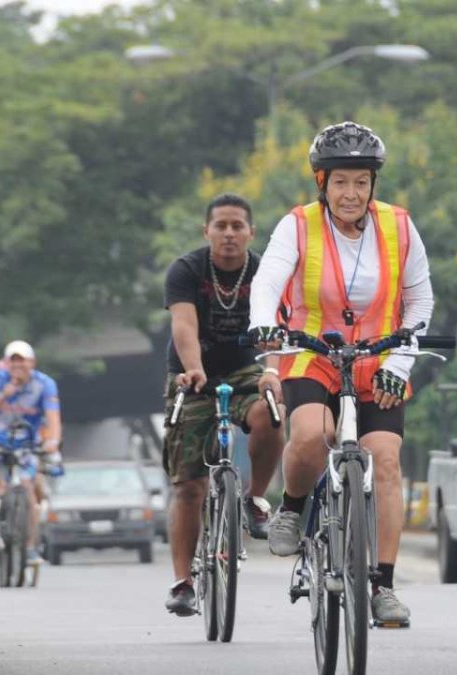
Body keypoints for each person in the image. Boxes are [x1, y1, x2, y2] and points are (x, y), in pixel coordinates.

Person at [248, 122, 435, 625]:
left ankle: (384, 586)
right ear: (321, 183)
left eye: (360, 182)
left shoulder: (398, 225)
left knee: (387, 459)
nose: (350, 193)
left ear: (373, 185)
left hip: (379, 358)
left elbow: (419, 298)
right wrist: (264, 324)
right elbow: (267, 280)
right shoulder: (298, 224)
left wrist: (400, 361)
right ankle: (291, 507)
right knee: (313, 434)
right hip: (311, 353)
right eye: (340, 182)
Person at [161, 192, 286, 617]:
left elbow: (275, 327)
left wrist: (272, 370)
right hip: (192, 374)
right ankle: (183, 582)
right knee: (190, 484)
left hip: (246, 371)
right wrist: (193, 368)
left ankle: (254, 500)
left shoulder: (267, 270)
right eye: (221, 226)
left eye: (238, 226)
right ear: (207, 231)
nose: (229, 234)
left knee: (271, 412)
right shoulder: (187, 270)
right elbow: (184, 324)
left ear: (251, 231)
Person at [0, 340, 62, 566]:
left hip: (25, 443)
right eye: (13, 362)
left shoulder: (45, 384)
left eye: (22, 361)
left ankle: (30, 547)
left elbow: (53, 417)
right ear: (6, 363)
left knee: (28, 488)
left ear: (32, 363)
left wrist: (54, 441)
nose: (18, 366)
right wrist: (6, 392)